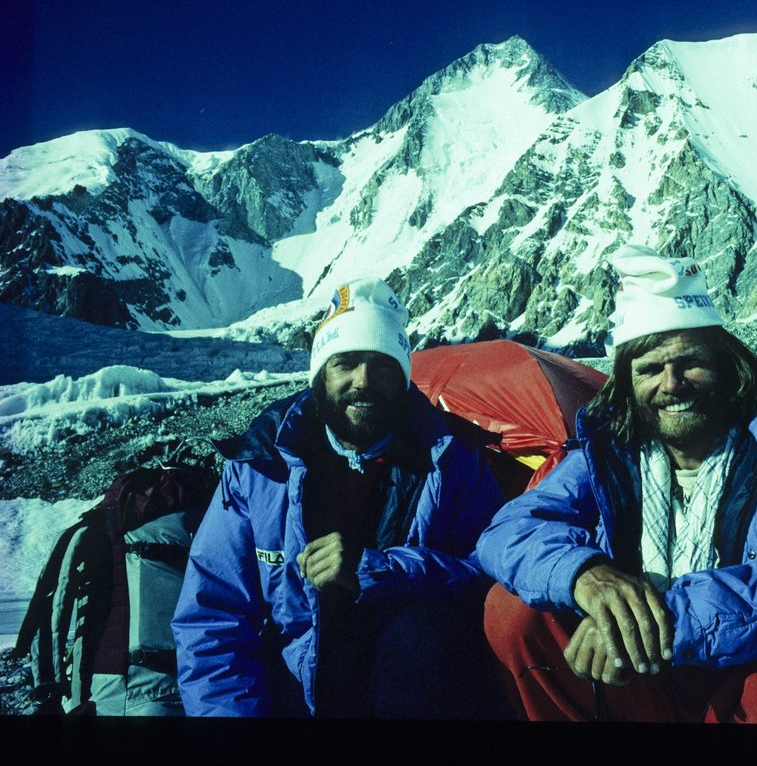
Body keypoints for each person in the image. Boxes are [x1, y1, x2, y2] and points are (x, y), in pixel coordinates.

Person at [477, 245, 757, 724]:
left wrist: (668, 615)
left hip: (736, 676)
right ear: (627, 385)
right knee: (511, 612)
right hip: (637, 678)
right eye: (649, 369)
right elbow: (510, 530)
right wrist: (585, 576)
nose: (671, 384)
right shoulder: (608, 456)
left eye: (689, 363)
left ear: (725, 366)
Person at [172, 278, 507, 718]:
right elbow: (214, 618)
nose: (363, 381)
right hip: (294, 697)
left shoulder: (452, 462)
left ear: (404, 378)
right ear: (320, 374)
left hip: (416, 692)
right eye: (345, 363)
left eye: (383, 365)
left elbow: (489, 576)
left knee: (427, 629)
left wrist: (377, 569)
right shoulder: (260, 470)